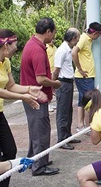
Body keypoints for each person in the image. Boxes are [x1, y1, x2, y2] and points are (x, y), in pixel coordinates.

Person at [0, 29, 47, 185]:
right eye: (15, 44)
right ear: (6, 45)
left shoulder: (5, 61)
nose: (17, 47)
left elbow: (11, 85)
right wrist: (23, 97)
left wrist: (29, 89)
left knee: (10, 150)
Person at [20, 17, 61, 176]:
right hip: (37, 97)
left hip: (30, 96)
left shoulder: (32, 44)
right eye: (54, 32)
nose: (54, 36)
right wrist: (55, 84)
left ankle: (35, 159)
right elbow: (40, 79)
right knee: (41, 132)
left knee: (35, 131)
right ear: (48, 32)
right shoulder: (37, 50)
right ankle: (39, 166)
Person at [52, 28, 81, 150]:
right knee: (62, 113)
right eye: (77, 38)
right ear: (73, 38)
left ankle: (67, 136)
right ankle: (62, 139)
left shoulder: (68, 50)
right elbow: (56, 71)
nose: (78, 41)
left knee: (68, 111)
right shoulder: (62, 51)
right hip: (62, 83)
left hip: (68, 83)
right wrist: (54, 86)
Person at [72, 22, 101, 132]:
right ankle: (90, 125)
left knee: (82, 100)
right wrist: (80, 69)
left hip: (86, 76)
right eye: (99, 34)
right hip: (85, 76)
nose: (99, 37)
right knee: (90, 101)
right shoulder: (84, 39)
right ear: (96, 33)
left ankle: (81, 125)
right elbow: (74, 52)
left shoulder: (87, 39)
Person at [46, 39, 57, 112]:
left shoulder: (55, 48)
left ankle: (50, 103)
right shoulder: (46, 47)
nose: (52, 40)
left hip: (54, 71)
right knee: (48, 89)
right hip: (48, 71)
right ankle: (47, 104)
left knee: (53, 89)